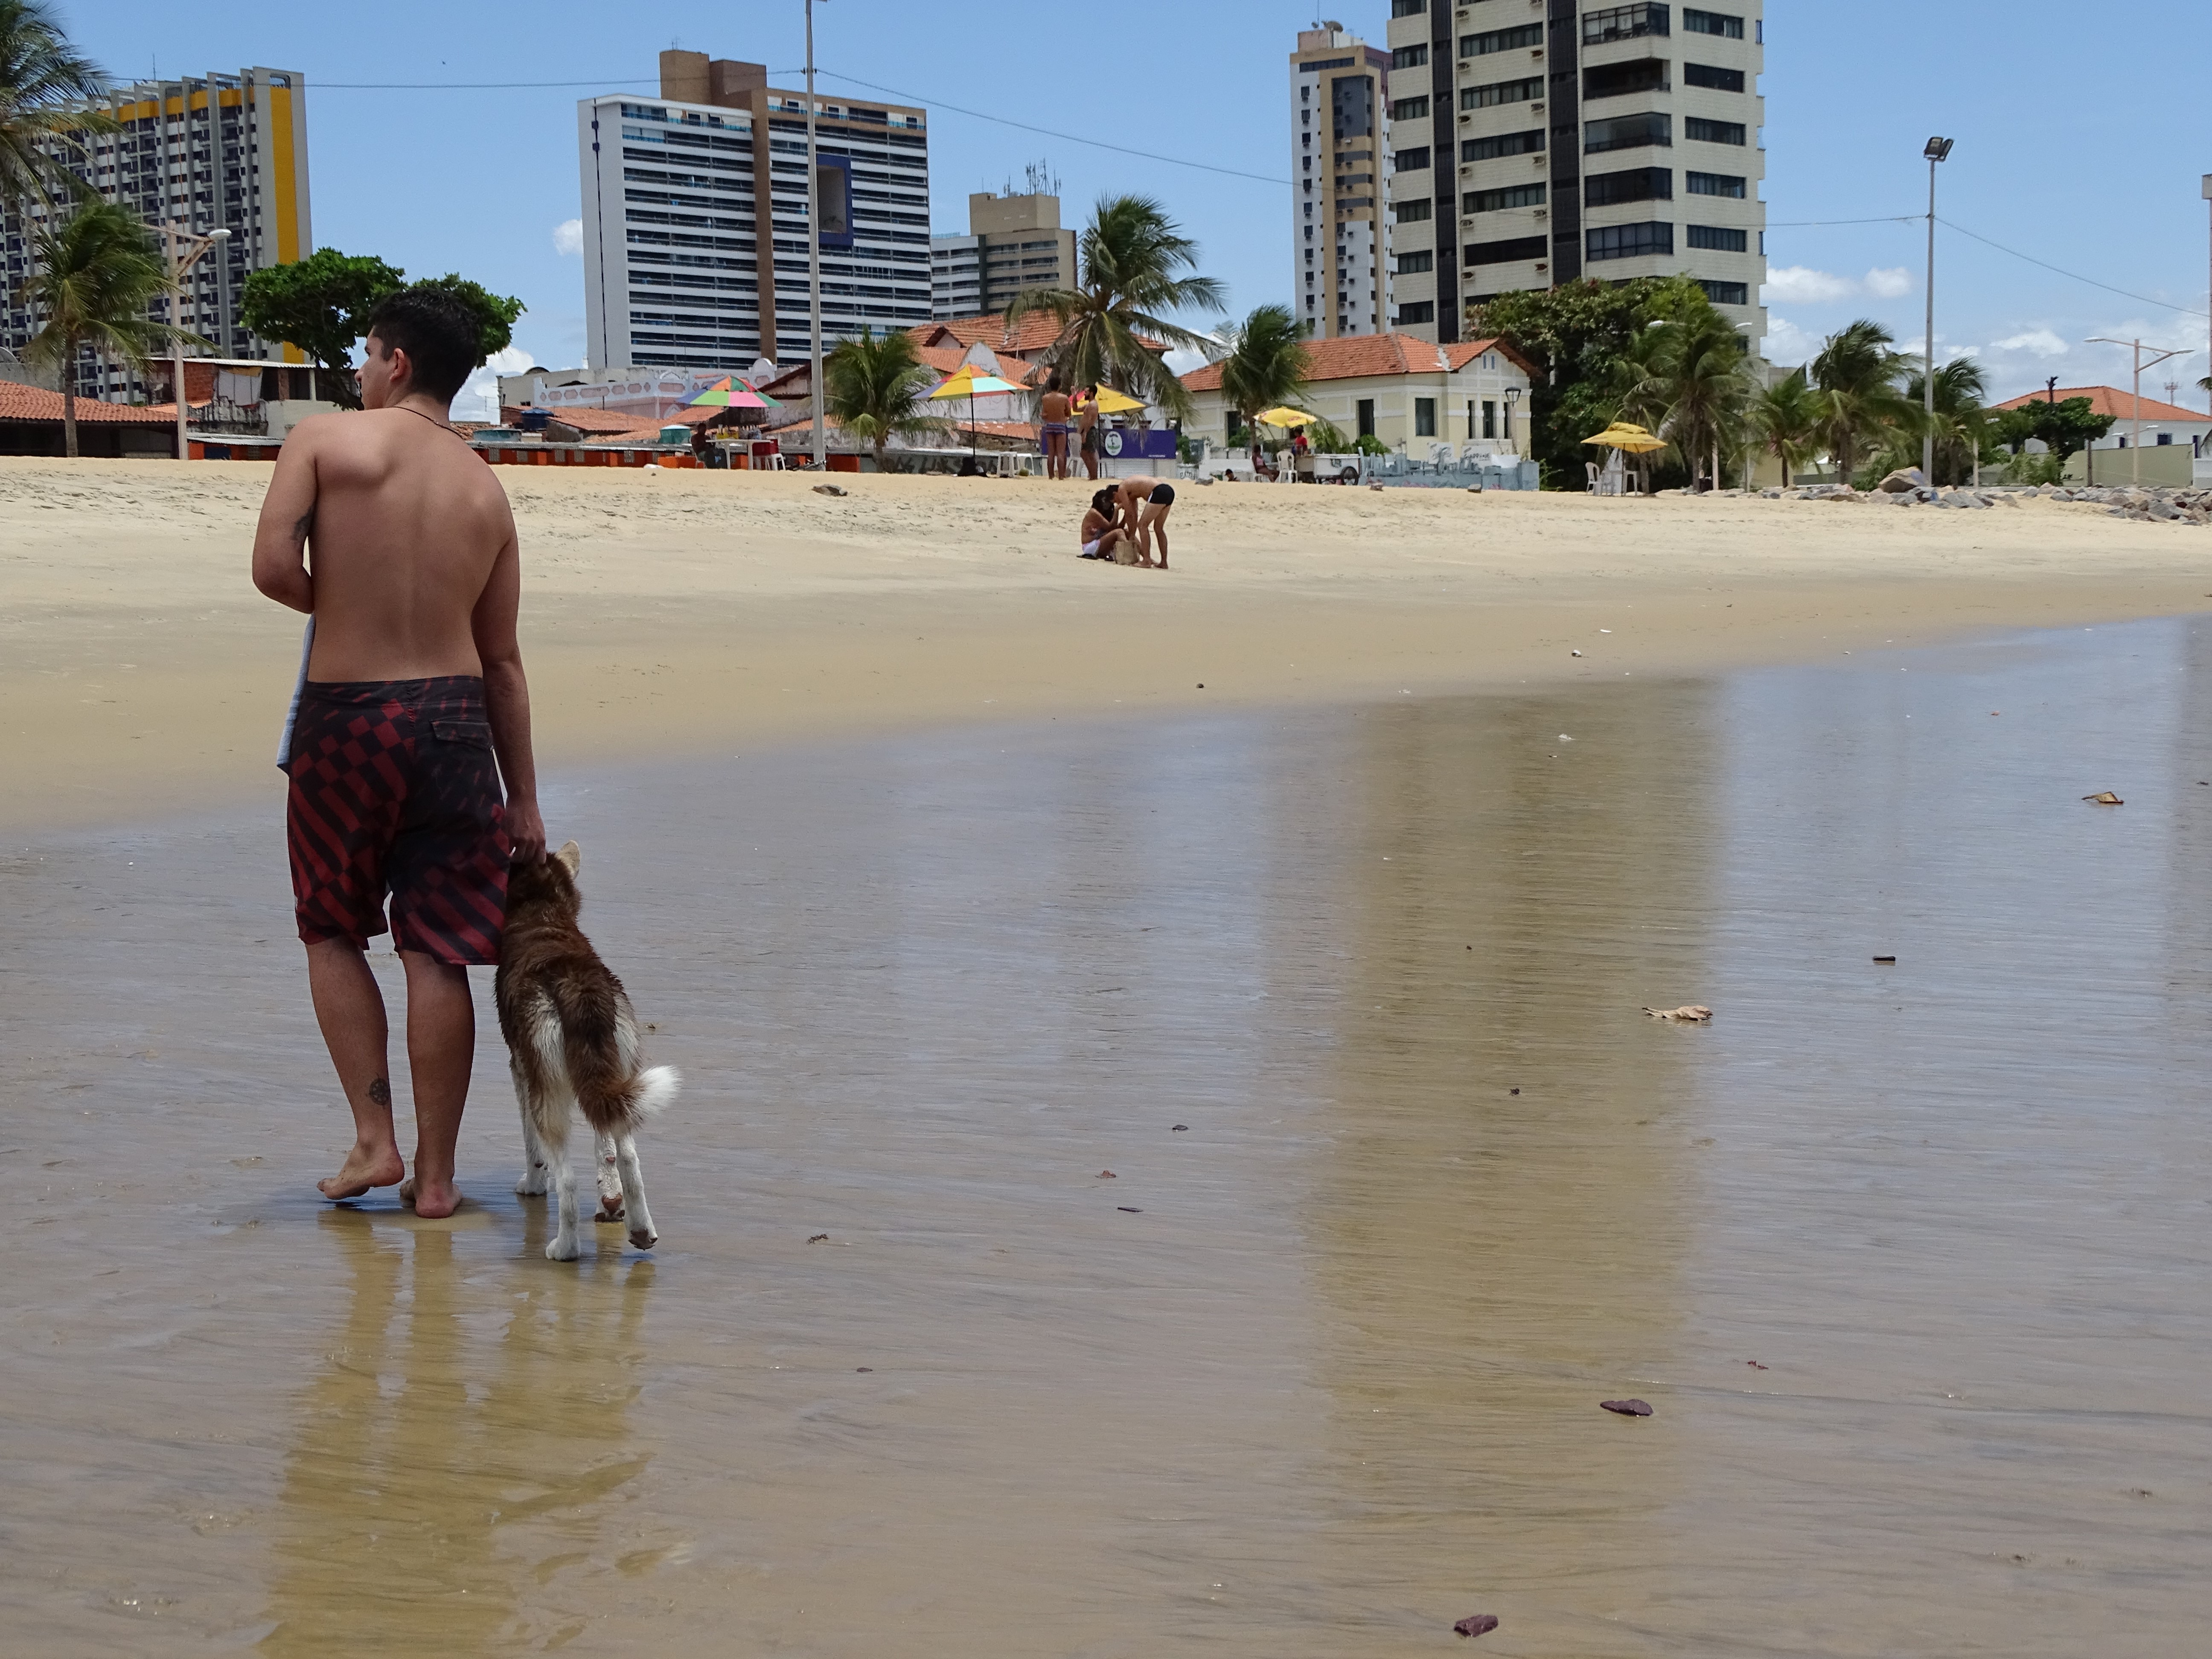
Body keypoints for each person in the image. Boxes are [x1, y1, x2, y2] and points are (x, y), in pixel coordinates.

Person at [250, 285, 545, 1220]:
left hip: (349, 719)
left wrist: (339, 605)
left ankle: (374, 1142)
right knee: (440, 951)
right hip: (457, 725)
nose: (358, 372)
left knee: (333, 927)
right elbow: (501, 661)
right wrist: (524, 801)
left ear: (397, 364)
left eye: (365, 357)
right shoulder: (485, 488)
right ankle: (439, 1178)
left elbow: (269, 568)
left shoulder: (325, 442)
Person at [1112, 474, 1175, 568]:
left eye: (1115, 500)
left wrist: (1126, 529)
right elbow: (1133, 514)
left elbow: (1129, 514)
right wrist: (1132, 535)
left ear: (1115, 494)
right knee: (1158, 528)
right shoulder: (1132, 492)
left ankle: (1146, 561)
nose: (1118, 503)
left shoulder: (1122, 488)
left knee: (1143, 526)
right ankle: (1164, 562)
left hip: (1159, 491)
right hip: (1168, 491)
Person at [1077, 486, 1134, 562]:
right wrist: (1117, 510)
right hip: (1090, 547)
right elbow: (1110, 527)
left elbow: (1116, 528)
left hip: (1101, 545)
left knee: (1126, 531)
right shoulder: (1093, 513)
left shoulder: (1108, 512)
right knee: (1119, 532)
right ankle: (1129, 555)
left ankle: (1146, 557)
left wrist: (1126, 515)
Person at [1038, 373, 1072, 481]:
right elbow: (1069, 413)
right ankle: (1061, 476)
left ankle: (1051, 476)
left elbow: (1044, 413)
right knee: (1061, 453)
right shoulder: (1064, 398)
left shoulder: (1045, 398)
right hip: (1060, 425)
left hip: (1049, 426)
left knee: (1051, 453)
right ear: (1060, 386)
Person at [1075, 385, 1102, 481]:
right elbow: (1075, 409)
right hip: (1086, 431)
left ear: (1091, 393)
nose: (1084, 393)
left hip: (1089, 431)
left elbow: (1090, 420)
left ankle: (1094, 476)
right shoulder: (1088, 405)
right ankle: (1092, 475)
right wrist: (1074, 397)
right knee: (1084, 453)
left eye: (1086, 392)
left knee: (1090, 454)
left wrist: (1085, 433)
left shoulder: (1093, 405)